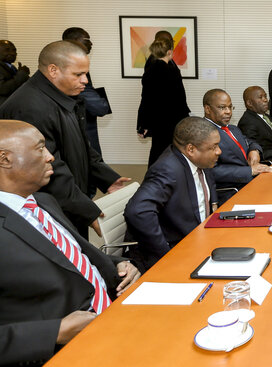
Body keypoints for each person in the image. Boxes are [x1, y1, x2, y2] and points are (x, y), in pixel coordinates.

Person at [0, 120, 140, 366]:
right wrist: (55, 332)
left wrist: (120, 264)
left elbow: (76, 256)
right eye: (40, 148)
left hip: (114, 318)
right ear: (5, 159)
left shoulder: (43, 201)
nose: (50, 157)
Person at [0, 41, 130, 237]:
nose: (85, 80)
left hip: (67, 202)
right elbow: (50, 171)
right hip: (48, 209)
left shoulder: (60, 96)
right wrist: (87, 211)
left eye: (85, 73)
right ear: (53, 70)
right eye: (78, 74)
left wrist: (106, 178)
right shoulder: (31, 107)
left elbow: (80, 144)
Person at [124, 117, 220, 269]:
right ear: (191, 149)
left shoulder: (199, 161)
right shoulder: (167, 170)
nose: (218, 151)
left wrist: (213, 205)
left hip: (202, 238)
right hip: (179, 250)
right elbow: (137, 211)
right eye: (213, 147)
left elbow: (208, 185)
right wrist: (165, 252)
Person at [203, 89, 269, 204]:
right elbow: (210, 171)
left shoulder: (233, 128)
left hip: (251, 183)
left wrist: (254, 150)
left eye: (230, 107)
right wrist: (249, 171)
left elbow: (250, 141)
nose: (228, 112)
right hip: (232, 191)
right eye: (222, 108)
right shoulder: (203, 132)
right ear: (207, 109)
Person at [137, 38, 190, 167]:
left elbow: (146, 100)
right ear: (169, 52)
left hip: (160, 121)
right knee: (166, 152)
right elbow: (179, 98)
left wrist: (143, 123)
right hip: (172, 120)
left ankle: (155, 179)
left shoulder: (152, 70)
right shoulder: (171, 70)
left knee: (158, 152)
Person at [62, 27, 111, 155]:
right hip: (80, 129)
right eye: (87, 39)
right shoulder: (73, 65)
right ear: (74, 41)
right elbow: (99, 107)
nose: (91, 43)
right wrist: (102, 103)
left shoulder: (62, 60)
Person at [238, 86, 272, 164]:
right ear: (249, 103)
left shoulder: (266, 116)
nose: (265, 100)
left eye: (265, 96)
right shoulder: (247, 122)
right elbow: (252, 151)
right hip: (266, 164)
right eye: (260, 97)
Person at [0, 40, 30, 106]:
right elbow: (2, 89)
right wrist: (22, 74)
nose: (13, 53)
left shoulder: (11, 66)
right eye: (7, 50)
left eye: (14, 50)